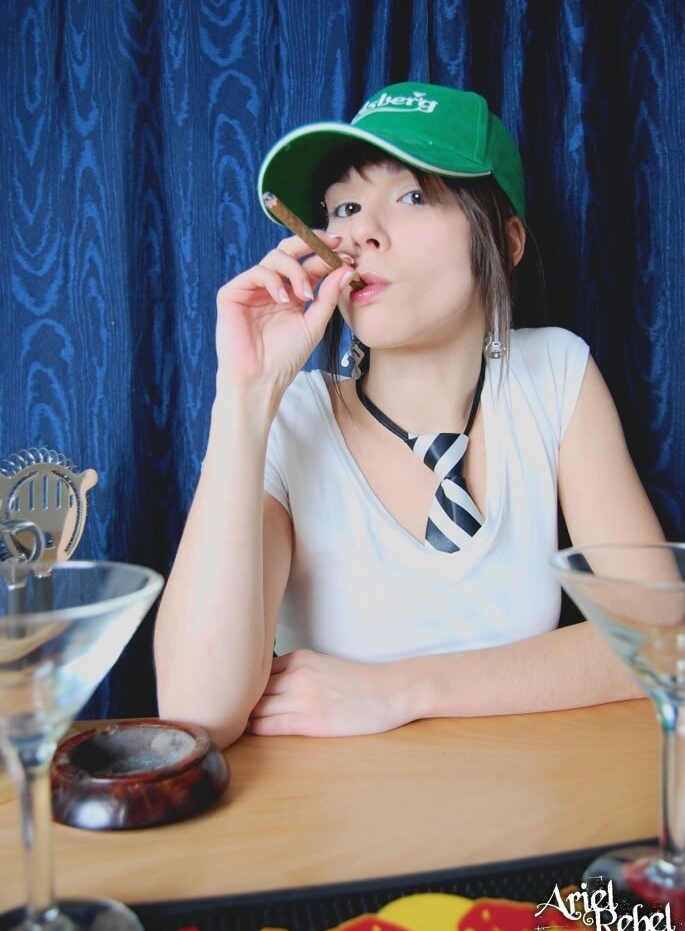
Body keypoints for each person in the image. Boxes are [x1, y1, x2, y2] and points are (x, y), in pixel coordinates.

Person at [154, 81, 664, 749]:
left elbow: (660, 637)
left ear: (506, 239)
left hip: (527, 795)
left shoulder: (554, 375)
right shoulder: (290, 418)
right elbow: (197, 714)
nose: (359, 231)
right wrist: (245, 396)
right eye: (343, 207)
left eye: (413, 196)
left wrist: (401, 690)